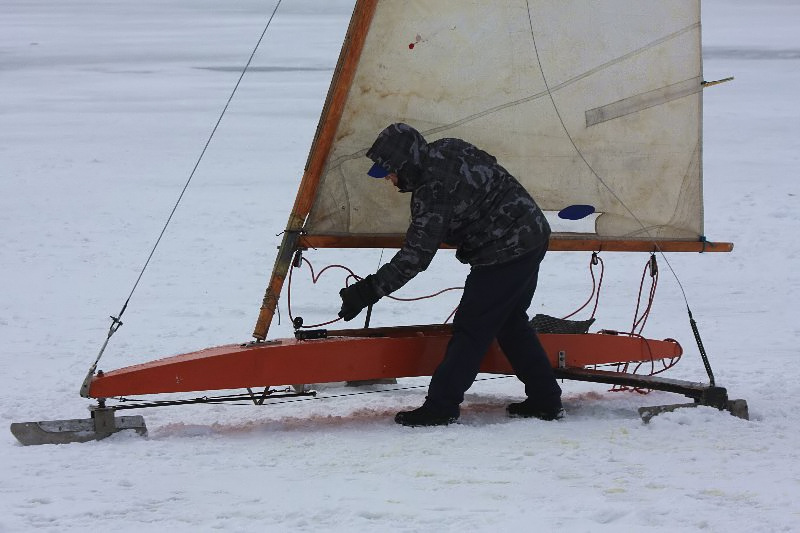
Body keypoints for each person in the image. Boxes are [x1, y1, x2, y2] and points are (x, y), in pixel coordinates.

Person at [338, 123, 563, 426]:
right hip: (532, 232)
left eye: (389, 172)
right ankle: (546, 400)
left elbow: (415, 257)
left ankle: (441, 407)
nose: (389, 180)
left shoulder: (432, 194)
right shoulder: (447, 147)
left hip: (505, 251)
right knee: (510, 323)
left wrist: (367, 291)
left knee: (472, 329)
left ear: (406, 164)